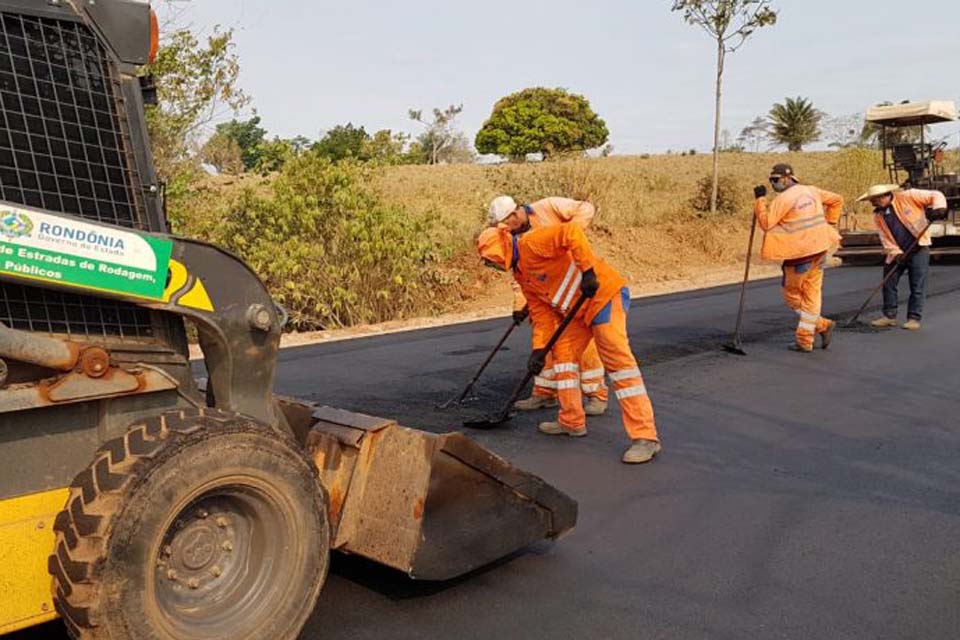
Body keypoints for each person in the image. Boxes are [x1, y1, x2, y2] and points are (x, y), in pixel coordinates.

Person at [477, 223, 661, 464]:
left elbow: (571, 232)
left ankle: (645, 438)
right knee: (563, 357)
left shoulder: (532, 243)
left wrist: (587, 271)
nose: (493, 266)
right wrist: (539, 351)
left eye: (491, 260)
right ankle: (571, 421)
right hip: (576, 312)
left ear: (498, 251)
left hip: (602, 296)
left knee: (619, 363)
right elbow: (541, 314)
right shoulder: (521, 274)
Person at [487, 196, 608, 415]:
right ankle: (545, 392)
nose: (508, 231)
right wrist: (520, 304)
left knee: (581, 340)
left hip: (572, 280)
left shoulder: (548, 207)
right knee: (544, 338)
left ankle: (595, 393)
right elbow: (519, 275)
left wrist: (571, 235)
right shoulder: (515, 238)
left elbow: (587, 208)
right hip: (544, 290)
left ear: (514, 215)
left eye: (508, 225)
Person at [753, 163, 844, 353]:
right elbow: (837, 200)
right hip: (820, 250)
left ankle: (821, 325)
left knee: (792, 295)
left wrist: (760, 201)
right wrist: (830, 224)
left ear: (787, 178)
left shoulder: (783, 199)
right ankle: (804, 340)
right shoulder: (812, 191)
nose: (773, 184)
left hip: (799, 255)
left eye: (775, 180)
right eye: (771, 181)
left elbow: (767, 223)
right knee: (811, 295)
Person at [857, 184, 948, 330]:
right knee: (888, 283)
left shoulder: (908, 196)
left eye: (873, 200)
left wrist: (939, 208)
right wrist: (895, 252)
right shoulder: (878, 215)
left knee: (917, 285)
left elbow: (936, 194)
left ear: (883, 196)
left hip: (918, 247)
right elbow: (884, 237)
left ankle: (914, 318)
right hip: (898, 251)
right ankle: (889, 315)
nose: (872, 203)